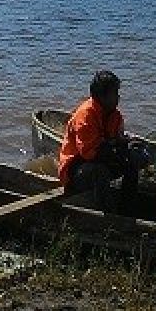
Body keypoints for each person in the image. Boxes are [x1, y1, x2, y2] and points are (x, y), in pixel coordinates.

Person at [58, 70, 141, 211]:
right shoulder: (85, 116)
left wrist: (127, 145)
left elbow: (117, 139)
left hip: (101, 158)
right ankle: (106, 215)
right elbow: (89, 154)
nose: (118, 97)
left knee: (132, 162)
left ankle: (127, 208)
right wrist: (116, 149)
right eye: (114, 93)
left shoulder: (115, 114)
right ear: (102, 96)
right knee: (100, 172)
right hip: (76, 168)